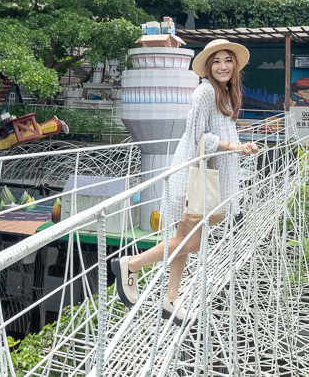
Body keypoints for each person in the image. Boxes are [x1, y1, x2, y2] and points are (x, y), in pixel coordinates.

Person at [109, 38, 259, 325]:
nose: (223, 66)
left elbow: (216, 131)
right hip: (196, 176)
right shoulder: (204, 93)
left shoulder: (226, 94)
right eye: (216, 61)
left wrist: (240, 145)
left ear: (235, 65)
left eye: (228, 60)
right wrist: (235, 147)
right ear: (208, 67)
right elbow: (198, 137)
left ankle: (171, 298)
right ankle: (131, 264)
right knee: (192, 242)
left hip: (204, 174)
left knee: (184, 239)